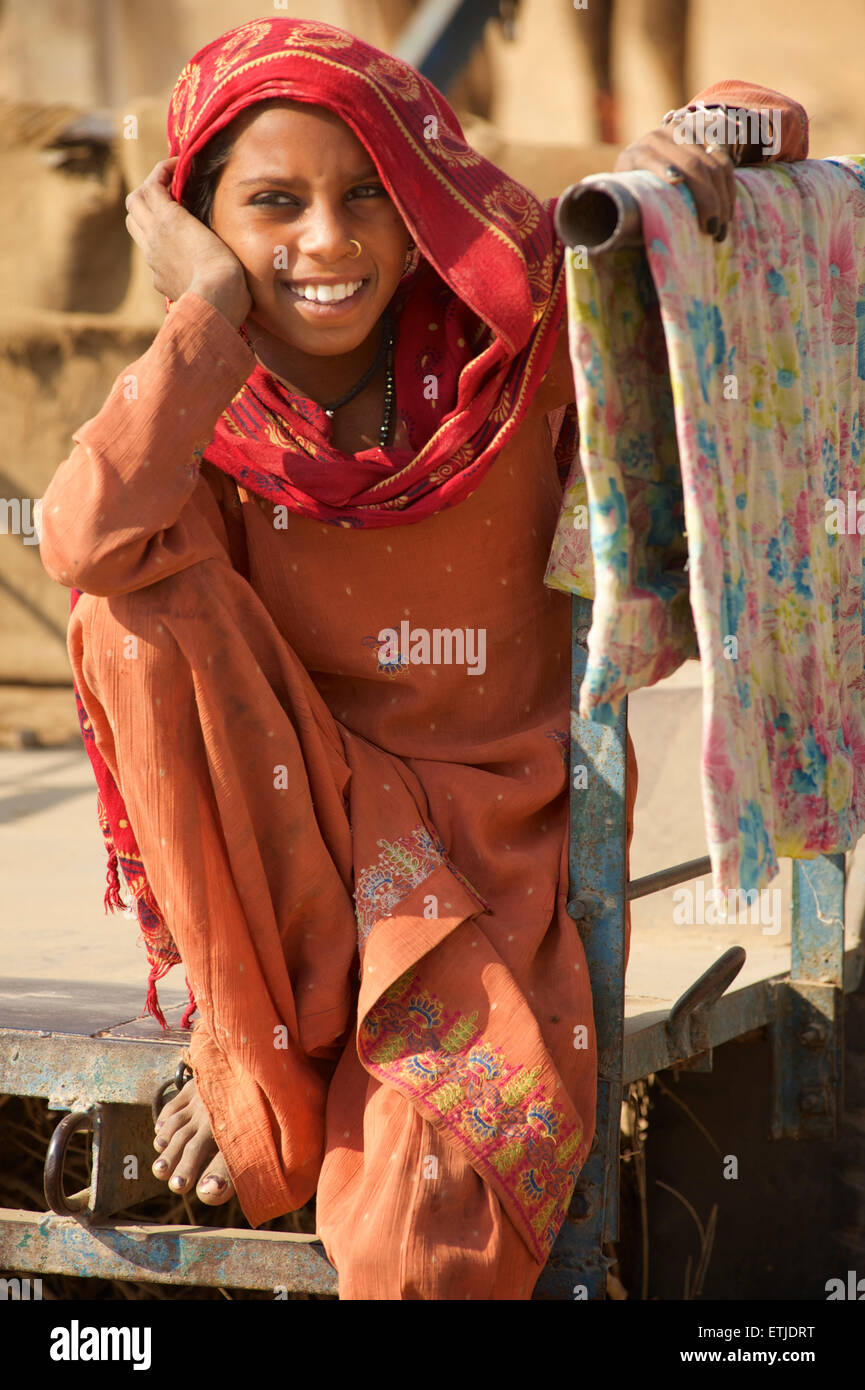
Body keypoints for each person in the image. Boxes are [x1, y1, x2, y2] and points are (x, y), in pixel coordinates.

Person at [39, 18, 808, 1299]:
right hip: (291, 871)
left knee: (419, 1220)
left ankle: (305, 1055)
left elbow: (765, 120)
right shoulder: (200, 402)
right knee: (127, 606)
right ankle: (262, 1044)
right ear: (199, 226)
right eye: (272, 206)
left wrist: (695, 140)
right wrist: (211, 314)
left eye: (366, 198)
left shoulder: (511, 349)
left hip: (472, 859)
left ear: (417, 211)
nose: (328, 243)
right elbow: (81, 538)